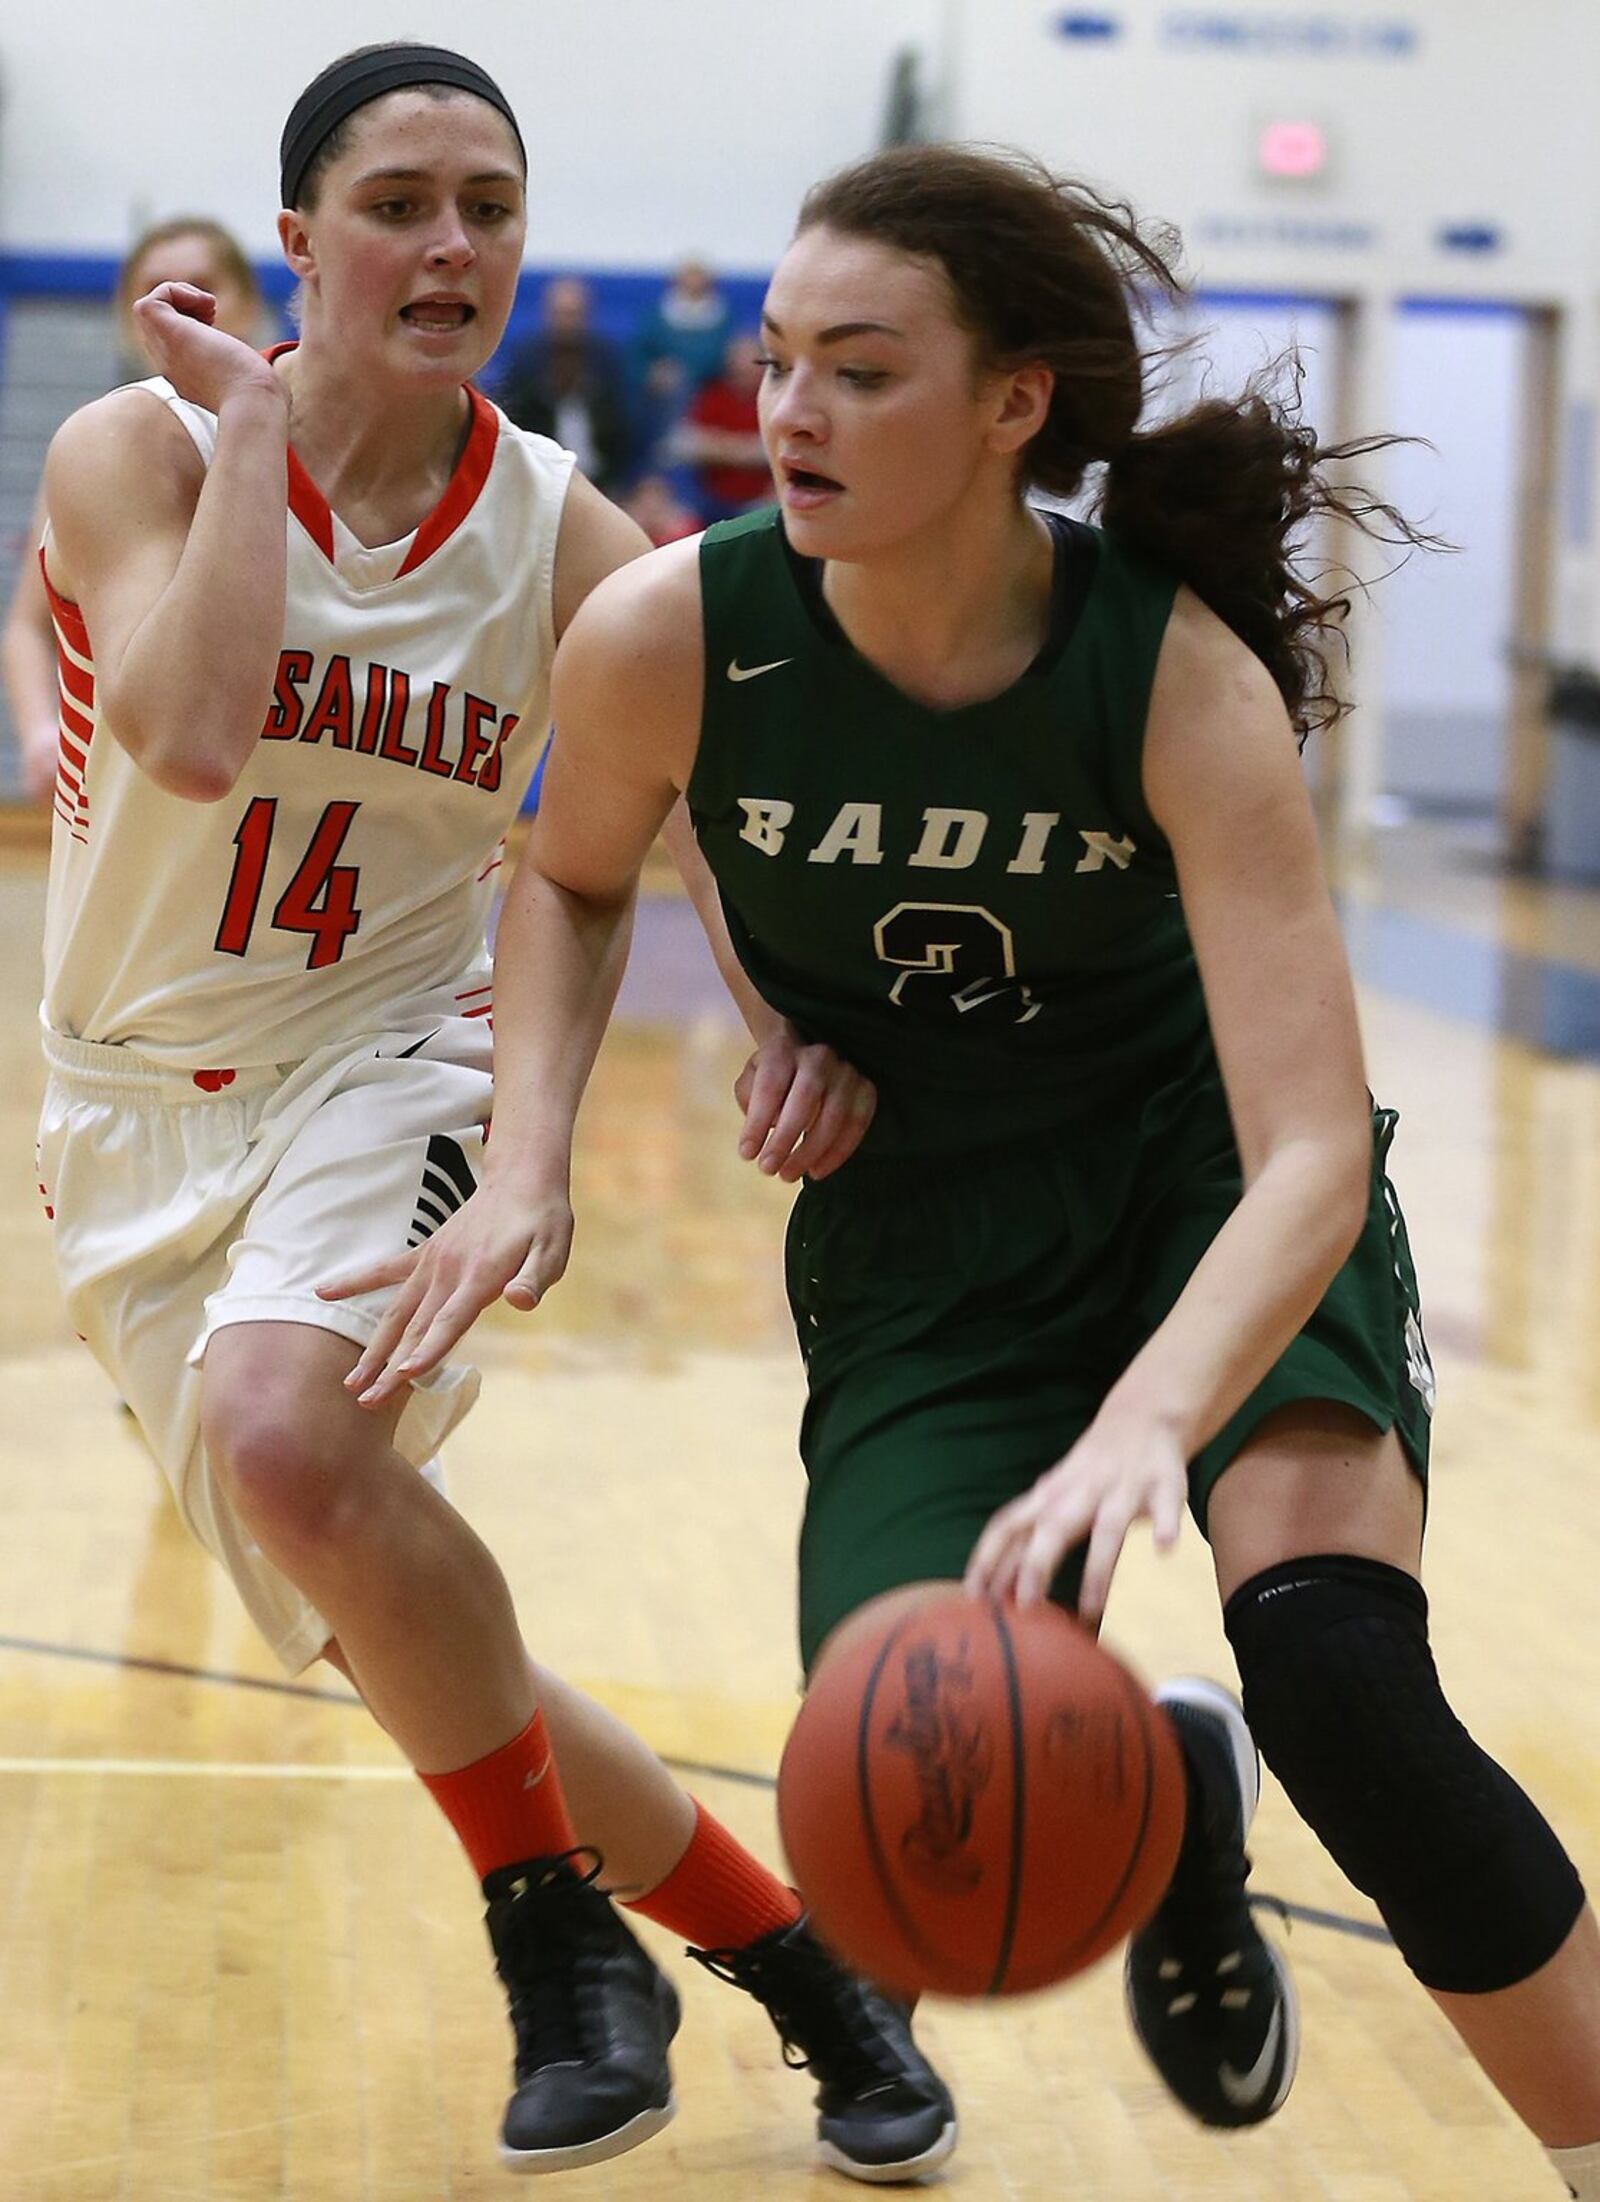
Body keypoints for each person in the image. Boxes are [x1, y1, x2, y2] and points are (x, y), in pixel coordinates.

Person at [335, 142, 1600, 2197]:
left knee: (1339, 1677)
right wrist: (530, 1157)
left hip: (1202, 1183)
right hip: (926, 1222)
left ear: (1011, 402)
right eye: (775, 364)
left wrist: (1139, 1428)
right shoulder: (676, 633)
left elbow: (1298, 1143)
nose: (791, 414)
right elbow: (564, 887)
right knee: (902, 1787)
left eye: (859, 370)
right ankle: (1164, 1799)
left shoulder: (1173, 674)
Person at [32, 49, 954, 2182]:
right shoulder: (136, 450)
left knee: (291, 1431)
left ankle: (549, 1938)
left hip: (393, 1050)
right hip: (127, 1117)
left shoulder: (566, 533)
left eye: (490, 208)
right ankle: (798, 1970)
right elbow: (179, 739)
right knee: (408, 1638)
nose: (451, 248)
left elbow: (711, 816)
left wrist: (777, 1021)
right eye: (399, 205)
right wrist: (260, 429)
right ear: (299, 241)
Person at [3, 218, 264, 805]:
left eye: (200, 286)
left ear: (246, 303)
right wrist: (42, 732)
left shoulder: (276, 431)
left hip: (255, 763)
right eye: (156, 288)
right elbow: (26, 625)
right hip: (127, 774)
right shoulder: (93, 449)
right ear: (127, 313)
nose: (178, 305)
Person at [496, 274, 635, 495]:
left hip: (602, 479)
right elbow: (511, 419)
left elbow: (625, 422)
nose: (567, 323)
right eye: (561, 314)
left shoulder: (606, 358)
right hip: (539, 476)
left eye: (573, 314)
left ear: (587, 315)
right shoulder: (527, 359)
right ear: (547, 314)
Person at [676, 331, 775, 523]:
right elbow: (688, 444)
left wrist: (722, 446)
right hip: (710, 498)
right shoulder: (712, 395)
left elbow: (777, 449)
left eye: (750, 366)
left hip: (763, 499)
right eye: (737, 365)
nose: (743, 371)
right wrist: (748, 450)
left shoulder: (775, 398)